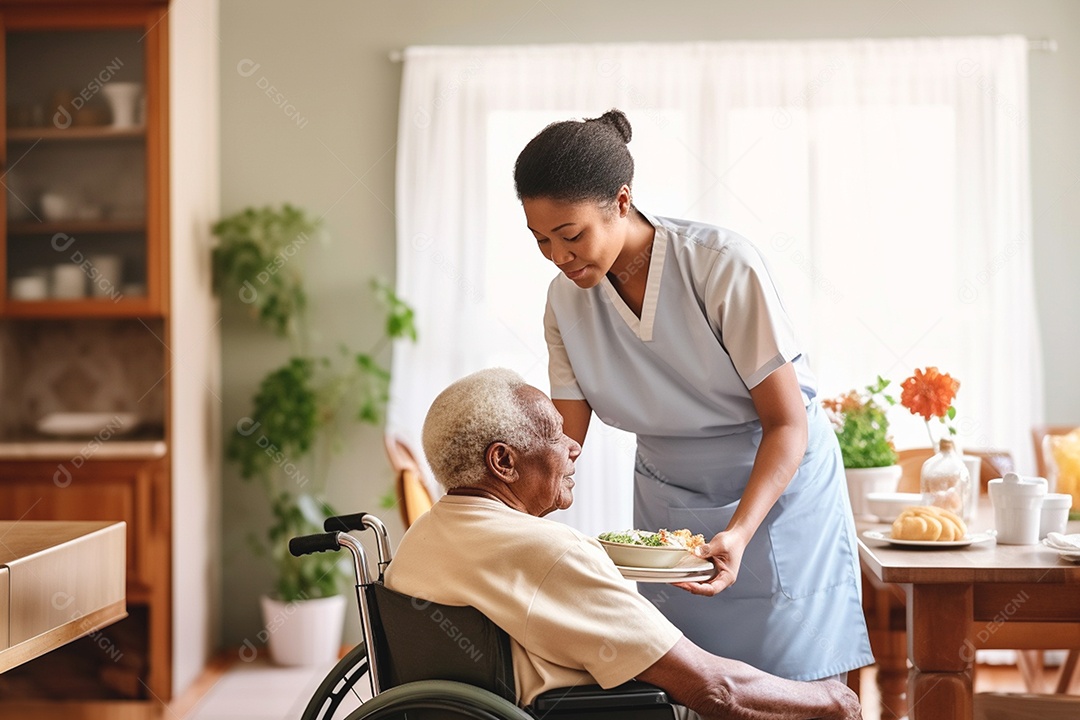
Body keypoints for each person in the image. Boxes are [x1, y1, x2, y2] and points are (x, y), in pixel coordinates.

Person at [511, 109, 873, 681]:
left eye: (572, 235)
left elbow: (786, 424)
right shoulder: (564, 300)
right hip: (669, 496)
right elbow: (565, 439)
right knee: (690, 677)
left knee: (795, 680)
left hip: (774, 485)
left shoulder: (720, 265)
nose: (559, 256)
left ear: (622, 201)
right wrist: (518, 517)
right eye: (541, 241)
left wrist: (741, 529)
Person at [385, 368, 861, 720]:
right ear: (504, 461)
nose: (573, 446)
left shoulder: (420, 539)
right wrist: (837, 703)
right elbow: (717, 691)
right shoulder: (550, 553)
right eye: (555, 432)